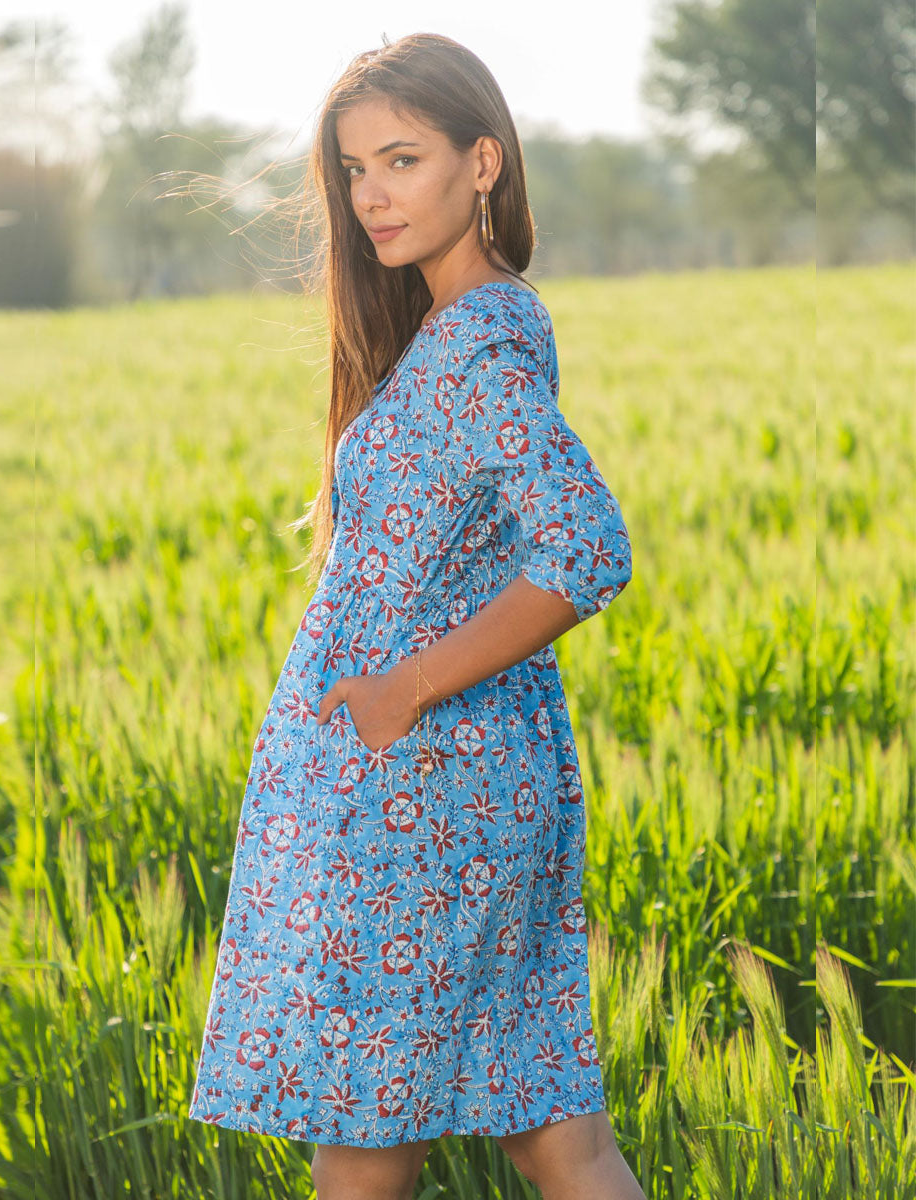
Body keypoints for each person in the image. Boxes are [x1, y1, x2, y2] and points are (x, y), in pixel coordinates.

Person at [188, 31, 645, 1200]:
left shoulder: (480, 342)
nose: (371, 194)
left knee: (366, 1132)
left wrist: (403, 688)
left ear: (482, 162)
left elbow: (586, 547)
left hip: (426, 803)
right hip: (446, 792)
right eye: (353, 168)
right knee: (550, 1128)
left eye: (403, 158)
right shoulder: (453, 334)